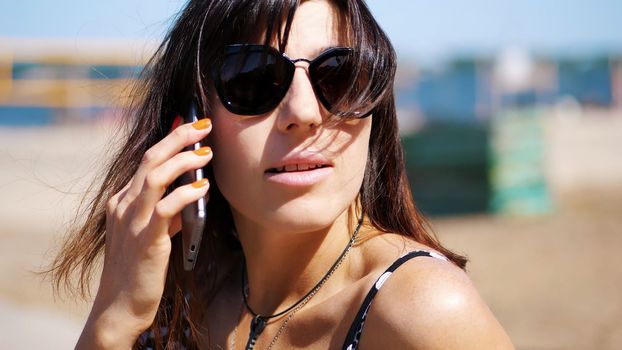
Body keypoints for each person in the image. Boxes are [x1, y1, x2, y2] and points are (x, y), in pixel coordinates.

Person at [50, 0, 514, 348]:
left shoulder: (422, 311)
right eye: (252, 80)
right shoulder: (187, 298)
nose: (305, 112)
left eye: (339, 75)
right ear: (189, 125)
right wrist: (111, 323)